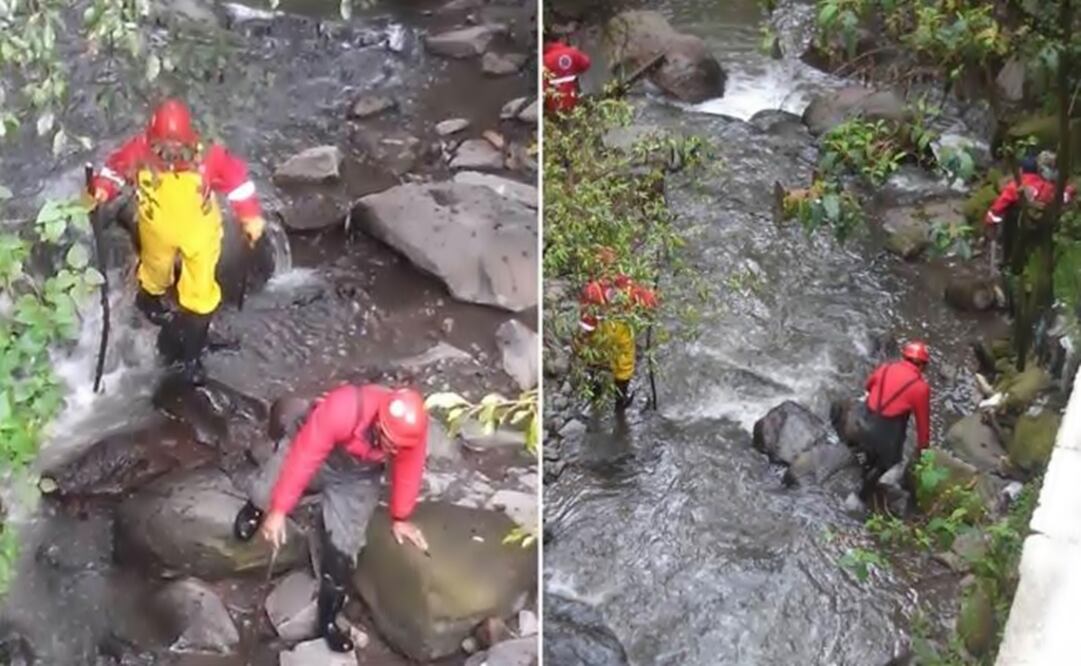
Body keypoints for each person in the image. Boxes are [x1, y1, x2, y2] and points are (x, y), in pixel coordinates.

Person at [232, 384, 430, 653]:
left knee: (345, 548)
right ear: (379, 421)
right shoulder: (343, 408)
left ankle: (327, 619)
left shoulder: (412, 435)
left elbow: (409, 471)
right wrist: (278, 510)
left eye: (397, 446)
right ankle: (256, 508)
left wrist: (400, 516)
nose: (392, 448)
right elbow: (304, 457)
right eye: (388, 440)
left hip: (358, 475)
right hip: (314, 445)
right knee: (272, 486)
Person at [88, 98, 266, 384]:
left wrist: (250, 216)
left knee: (201, 294)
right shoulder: (138, 150)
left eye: (175, 146)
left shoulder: (209, 155)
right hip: (155, 231)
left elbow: (238, 183)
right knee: (154, 272)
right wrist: (102, 189)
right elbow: (114, 170)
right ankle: (152, 309)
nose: (169, 152)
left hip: (199, 233)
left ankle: (192, 357)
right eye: (162, 145)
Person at [854, 340, 932, 504]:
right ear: (923, 365)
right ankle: (861, 497)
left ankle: (861, 463)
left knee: (864, 452)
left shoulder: (885, 368)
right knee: (887, 462)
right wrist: (923, 451)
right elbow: (922, 428)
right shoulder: (920, 388)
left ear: (904, 357)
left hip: (864, 420)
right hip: (885, 433)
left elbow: (868, 387)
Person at [577, 274, 658, 410]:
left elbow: (587, 322)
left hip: (599, 332)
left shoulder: (592, 290)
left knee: (594, 359)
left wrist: (583, 339)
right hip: (621, 331)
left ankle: (595, 391)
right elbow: (650, 301)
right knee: (623, 365)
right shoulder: (630, 286)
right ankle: (620, 401)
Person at [985, 151, 1076, 268]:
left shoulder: (1017, 186)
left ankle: (1007, 260)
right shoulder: (1048, 188)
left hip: (1019, 223)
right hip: (1044, 223)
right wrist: (1070, 189)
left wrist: (990, 220)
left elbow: (999, 205)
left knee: (1008, 223)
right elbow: (1063, 197)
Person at [543, 39, 591, 114]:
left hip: (553, 101)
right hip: (572, 96)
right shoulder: (572, 52)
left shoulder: (544, 59)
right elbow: (586, 63)